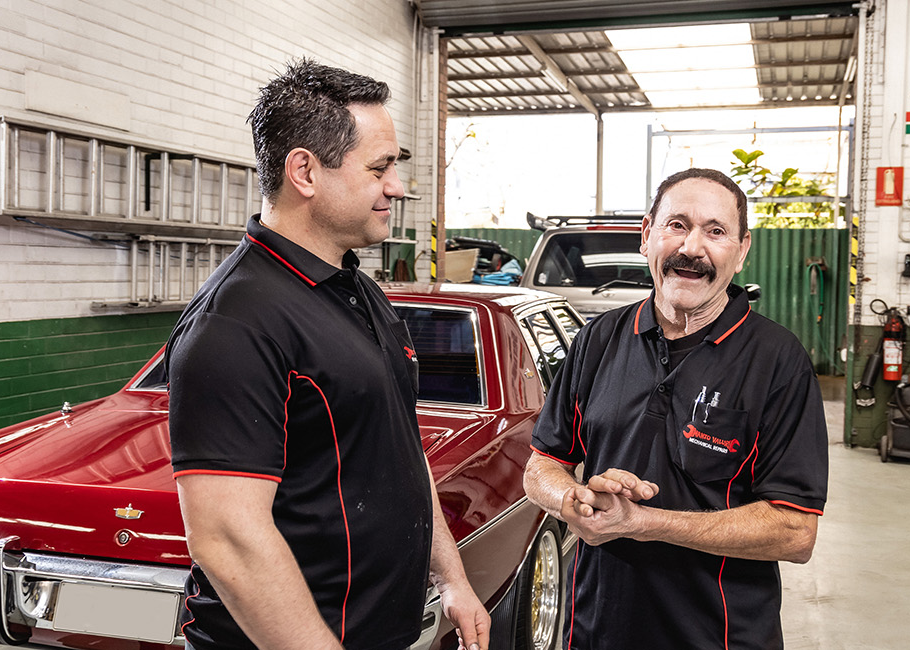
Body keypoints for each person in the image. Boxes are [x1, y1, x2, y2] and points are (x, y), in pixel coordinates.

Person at [167, 59, 489, 650]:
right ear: (305, 172)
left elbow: (398, 447)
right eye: (379, 168)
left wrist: (452, 576)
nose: (396, 186)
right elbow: (226, 538)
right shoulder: (237, 322)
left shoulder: (356, 289)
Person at [522, 168, 828, 649]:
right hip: (596, 628)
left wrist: (643, 523)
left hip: (719, 636)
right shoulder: (599, 339)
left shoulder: (777, 360)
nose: (691, 248)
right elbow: (541, 465)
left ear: (742, 251)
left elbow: (794, 531)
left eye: (716, 231)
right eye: (677, 225)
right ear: (647, 236)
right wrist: (572, 501)